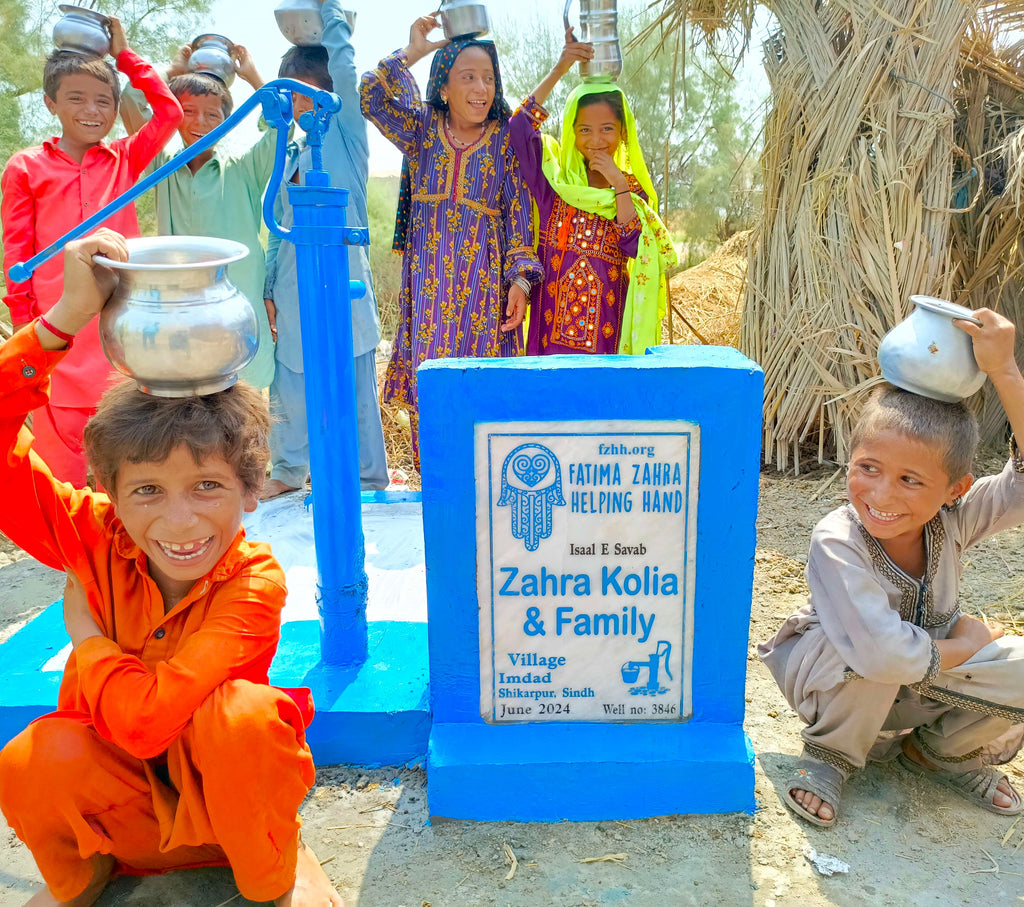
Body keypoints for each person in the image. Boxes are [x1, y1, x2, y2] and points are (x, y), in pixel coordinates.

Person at [0, 231, 344, 906]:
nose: (180, 523)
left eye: (208, 487)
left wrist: (90, 642)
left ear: (251, 490)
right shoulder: (93, 534)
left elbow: (147, 722)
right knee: (31, 759)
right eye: (148, 490)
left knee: (244, 718)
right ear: (109, 489)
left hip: (228, 823)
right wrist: (66, 317)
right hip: (122, 820)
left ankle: (271, 881)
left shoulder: (253, 580)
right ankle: (89, 875)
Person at [759, 309, 1024, 828]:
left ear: (956, 491)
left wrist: (1005, 371)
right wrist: (966, 646)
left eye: (910, 481)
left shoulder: (956, 519)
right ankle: (830, 757)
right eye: (867, 468)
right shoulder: (838, 539)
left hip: (922, 686)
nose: (880, 496)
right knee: (870, 649)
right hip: (843, 688)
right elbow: (880, 654)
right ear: (850, 459)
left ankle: (938, 751)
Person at [1, 24, 183, 486]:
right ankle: (72, 555)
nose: (91, 110)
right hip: (59, 327)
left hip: (120, 325)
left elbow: (169, 112)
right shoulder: (26, 167)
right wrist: (27, 325)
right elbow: (17, 251)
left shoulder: (126, 158)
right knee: (63, 463)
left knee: (125, 446)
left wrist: (126, 57)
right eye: (77, 98)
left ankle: (124, 545)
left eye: (103, 100)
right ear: (51, 104)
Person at [360, 13, 543, 458]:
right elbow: (370, 94)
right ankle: (434, 501)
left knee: (483, 402)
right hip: (427, 296)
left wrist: (520, 281)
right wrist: (414, 52)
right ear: (443, 87)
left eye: (488, 78)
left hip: (483, 297)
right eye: (468, 77)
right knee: (433, 394)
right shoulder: (422, 129)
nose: (482, 89)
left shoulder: (504, 141)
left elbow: (518, 217)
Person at [262, 0, 388, 499]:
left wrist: (331, 15)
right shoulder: (288, 149)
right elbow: (276, 225)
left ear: (324, 93)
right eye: (288, 97)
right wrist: (271, 283)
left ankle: (369, 481)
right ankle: (289, 473)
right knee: (291, 380)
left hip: (344, 275)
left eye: (302, 95)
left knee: (355, 381)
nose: (295, 107)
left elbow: (346, 68)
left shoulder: (346, 132)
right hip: (294, 285)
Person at [119, 43, 278, 389]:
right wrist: (175, 71)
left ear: (228, 120)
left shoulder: (244, 169)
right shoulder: (162, 164)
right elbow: (132, 100)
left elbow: (282, 126)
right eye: (187, 111)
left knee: (243, 412)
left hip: (238, 313)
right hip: (179, 315)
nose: (200, 123)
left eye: (212, 115)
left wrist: (251, 75)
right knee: (187, 411)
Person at [509, 31, 676, 356]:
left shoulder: (632, 190)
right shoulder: (554, 181)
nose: (596, 139)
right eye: (584, 129)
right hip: (548, 351)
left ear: (623, 132)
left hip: (606, 349)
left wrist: (619, 184)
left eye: (607, 129)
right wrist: (561, 67)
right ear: (571, 130)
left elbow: (634, 246)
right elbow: (519, 129)